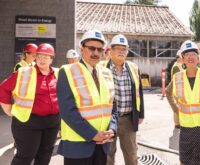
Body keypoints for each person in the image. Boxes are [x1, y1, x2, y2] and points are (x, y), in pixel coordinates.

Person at [56, 29, 118, 165]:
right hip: (77, 147)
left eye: (100, 50)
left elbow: (113, 108)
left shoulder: (107, 73)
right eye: (91, 48)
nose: (96, 53)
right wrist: (93, 134)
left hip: (103, 145)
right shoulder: (67, 71)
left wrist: (112, 130)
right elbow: (67, 111)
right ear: (82, 49)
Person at [0, 43, 59, 165]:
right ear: (35, 57)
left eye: (46, 57)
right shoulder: (23, 73)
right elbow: (3, 89)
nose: (42, 59)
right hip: (28, 123)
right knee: (25, 157)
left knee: (45, 156)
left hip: (51, 123)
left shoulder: (58, 74)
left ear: (52, 59)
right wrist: (7, 109)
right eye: (39, 56)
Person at [105, 34, 144, 165]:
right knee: (108, 154)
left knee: (131, 153)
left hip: (128, 118)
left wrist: (141, 114)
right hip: (108, 119)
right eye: (118, 48)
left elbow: (139, 92)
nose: (121, 51)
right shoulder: (102, 69)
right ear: (111, 50)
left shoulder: (133, 68)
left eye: (124, 49)